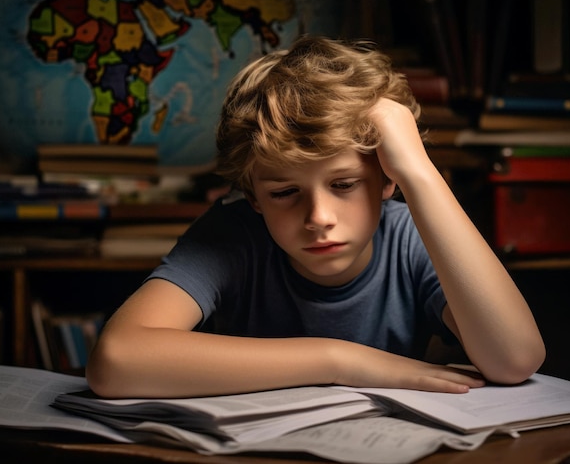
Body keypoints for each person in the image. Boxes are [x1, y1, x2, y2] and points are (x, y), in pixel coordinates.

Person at [86, 35, 545, 399]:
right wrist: (339, 360)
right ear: (253, 196)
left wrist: (418, 171)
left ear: (387, 182)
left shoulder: (409, 236)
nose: (319, 217)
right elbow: (116, 361)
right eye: (284, 192)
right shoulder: (233, 233)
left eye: (344, 185)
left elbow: (515, 358)